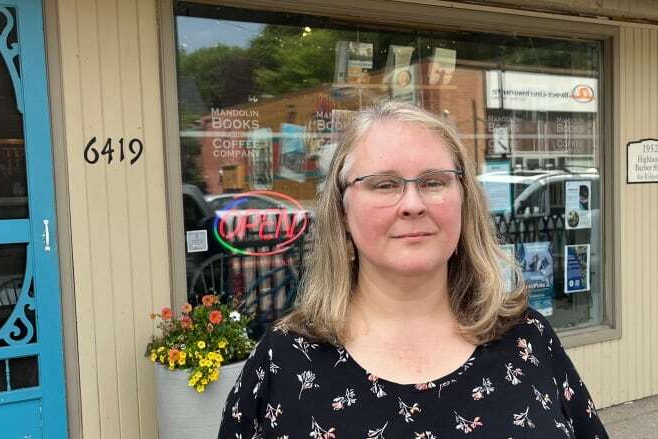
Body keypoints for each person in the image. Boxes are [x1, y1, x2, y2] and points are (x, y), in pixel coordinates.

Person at [218, 101, 608, 438]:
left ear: (463, 201)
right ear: (341, 210)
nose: (412, 204)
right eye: (384, 185)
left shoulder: (528, 339)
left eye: (434, 181)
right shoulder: (284, 360)